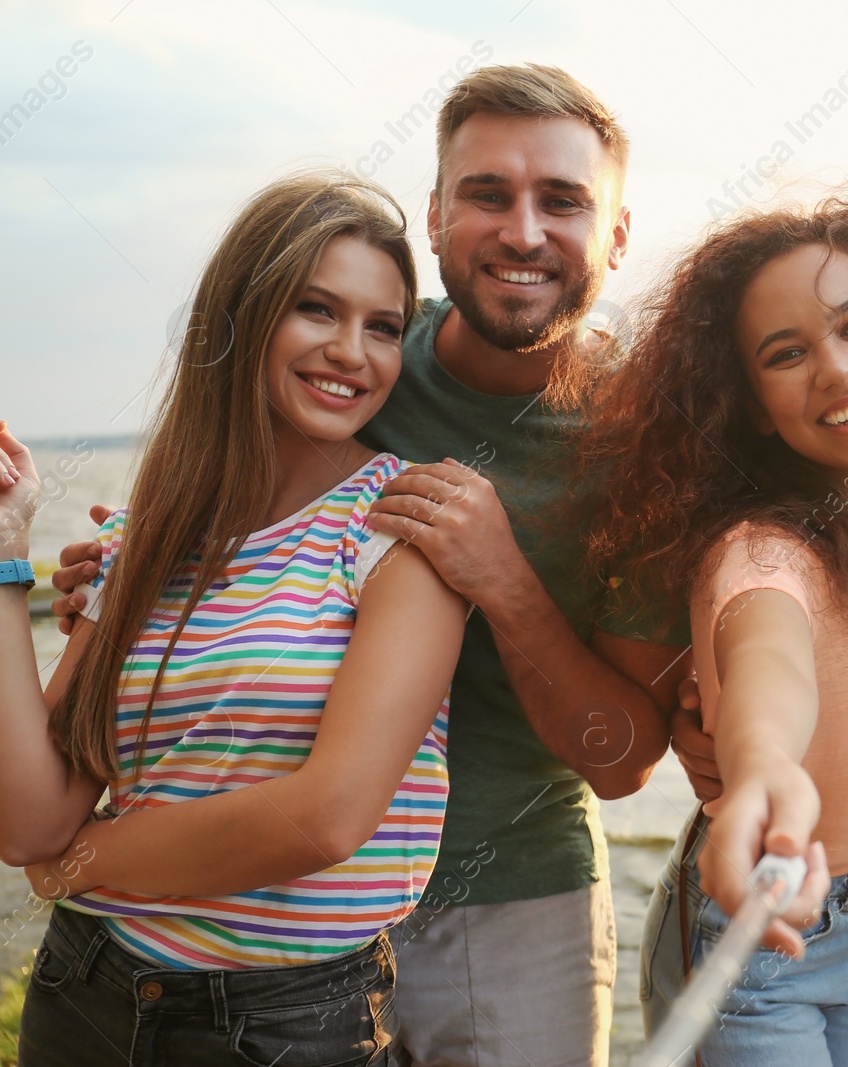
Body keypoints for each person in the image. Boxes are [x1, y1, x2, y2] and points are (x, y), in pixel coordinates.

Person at [48, 64, 691, 1067]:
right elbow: (233, 499)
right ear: (435, 218)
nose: (523, 231)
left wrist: (506, 583)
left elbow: (621, 761)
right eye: (488, 193)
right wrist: (126, 571)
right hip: (261, 909)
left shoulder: (650, 451)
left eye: (563, 199)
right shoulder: (364, 353)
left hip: (511, 907)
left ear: (614, 231)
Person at [0, 171, 468, 1066]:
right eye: (317, 310)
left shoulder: (403, 529)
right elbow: (28, 822)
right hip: (85, 989)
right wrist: (6, 549)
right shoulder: (147, 533)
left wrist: (82, 864)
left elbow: (327, 817)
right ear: (244, 316)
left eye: (382, 326)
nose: (353, 352)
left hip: (283, 1024)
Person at [579, 184, 848, 1065]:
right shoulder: (763, 550)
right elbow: (767, 659)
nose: (838, 367)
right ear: (749, 402)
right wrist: (762, 772)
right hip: (761, 931)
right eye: (787, 353)